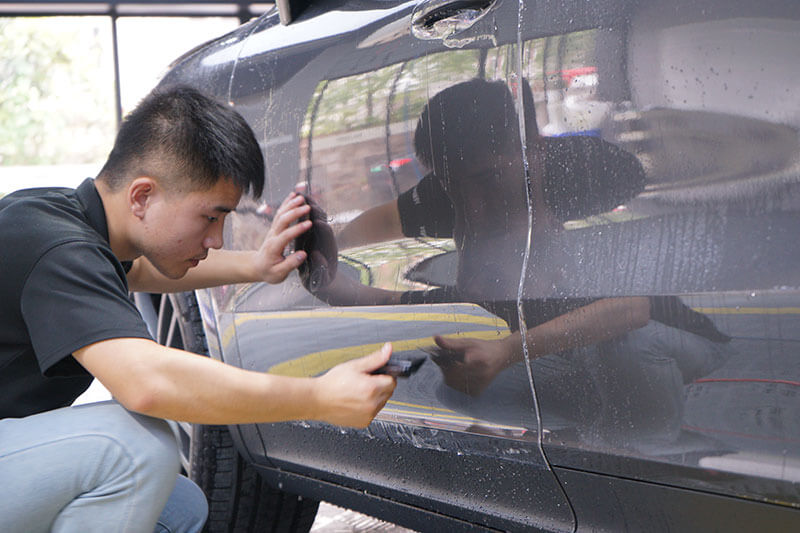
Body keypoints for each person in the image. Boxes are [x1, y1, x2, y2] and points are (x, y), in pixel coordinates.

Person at [0, 86, 397, 533]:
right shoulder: (60, 249)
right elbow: (147, 383)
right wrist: (319, 398)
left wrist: (257, 266)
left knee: (178, 507)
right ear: (142, 197)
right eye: (210, 217)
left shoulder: (60, 219)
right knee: (132, 447)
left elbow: (138, 271)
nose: (217, 239)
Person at [307, 78, 731, 443]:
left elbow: (633, 309)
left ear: (528, 149)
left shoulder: (589, 171)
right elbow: (387, 270)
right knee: (456, 388)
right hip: (569, 352)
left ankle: (652, 454)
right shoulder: (454, 195)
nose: (473, 202)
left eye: (488, 178)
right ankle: (593, 434)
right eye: (453, 184)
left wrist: (507, 350)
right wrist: (326, 273)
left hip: (667, 338)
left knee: (622, 348)